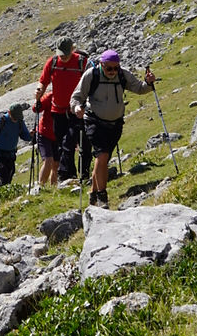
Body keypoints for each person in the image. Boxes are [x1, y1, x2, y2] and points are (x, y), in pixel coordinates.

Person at [70, 50, 155, 208]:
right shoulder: (91, 75)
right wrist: (76, 108)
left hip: (115, 124)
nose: (113, 72)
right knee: (102, 156)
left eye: (116, 68)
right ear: (102, 65)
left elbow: (140, 88)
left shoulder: (123, 75)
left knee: (102, 160)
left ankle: (93, 194)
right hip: (94, 121)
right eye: (109, 68)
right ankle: (103, 197)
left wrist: (149, 83)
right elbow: (76, 97)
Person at [37, 37, 88, 179]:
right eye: (61, 54)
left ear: (73, 49)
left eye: (66, 53)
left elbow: (90, 81)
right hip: (57, 111)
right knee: (61, 144)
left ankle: (66, 174)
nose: (63, 57)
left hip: (75, 109)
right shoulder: (52, 62)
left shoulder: (81, 62)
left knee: (69, 141)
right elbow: (43, 81)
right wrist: (38, 92)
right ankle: (70, 174)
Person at [0, 103, 30, 186]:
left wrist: (31, 135)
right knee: (5, 178)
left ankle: (3, 195)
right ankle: (2, 195)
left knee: (10, 175)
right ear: (9, 112)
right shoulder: (0, 121)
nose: (15, 119)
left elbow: (25, 136)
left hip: (11, 154)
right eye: (14, 117)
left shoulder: (19, 121)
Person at [35, 90, 59, 186]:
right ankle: (40, 186)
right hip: (44, 133)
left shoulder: (67, 95)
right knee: (48, 161)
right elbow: (36, 109)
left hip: (57, 134)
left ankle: (54, 187)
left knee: (56, 164)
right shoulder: (50, 96)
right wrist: (38, 99)